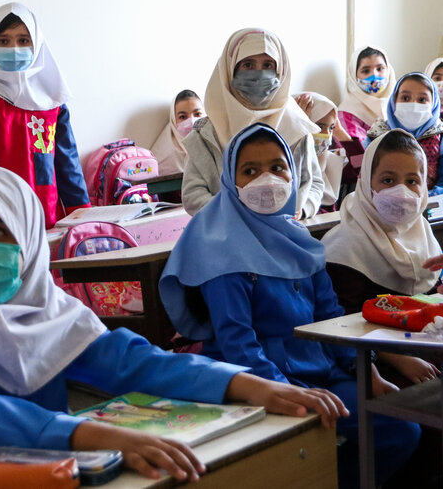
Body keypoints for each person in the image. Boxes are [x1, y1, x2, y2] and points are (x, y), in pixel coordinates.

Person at [0, 164, 348, 483]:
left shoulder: (42, 310)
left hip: (39, 471)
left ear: (28, 245)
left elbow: (132, 362)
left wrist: (247, 385)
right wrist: (98, 437)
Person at [159, 124, 420, 489]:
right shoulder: (221, 247)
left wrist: (365, 370)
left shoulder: (298, 240)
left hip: (319, 370)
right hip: (258, 380)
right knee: (377, 429)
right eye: (250, 170)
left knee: (401, 427)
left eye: (278, 167)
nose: (266, 179)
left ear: (293, 174)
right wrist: (285, 392)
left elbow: (330, 318)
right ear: (230, 181)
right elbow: (237, 343)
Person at [322, 129, 443, 385]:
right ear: (367, 183)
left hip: (422, 347)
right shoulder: (345, 247)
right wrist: (398, 359)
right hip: (371, 360)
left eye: (412, 181)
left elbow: (433, 303)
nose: (401, 191)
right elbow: (342, 325)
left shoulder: (423, 236)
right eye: (388, 180)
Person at [0, 3, 88, 228]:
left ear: (36, 43)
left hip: (48, 218)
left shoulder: (53, 99)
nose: (14, 49)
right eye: (3, 41)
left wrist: (81, 215)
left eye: (24, 40)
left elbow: (68, 164)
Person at [181, 28, 324, 218]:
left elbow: (315, 183)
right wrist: (232, 213)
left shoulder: (298, 127)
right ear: (230, 70)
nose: (259, 74)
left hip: (286, 229)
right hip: (227, 230)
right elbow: (192, 195)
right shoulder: (206, 134)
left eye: (268, 65)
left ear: (280, 71)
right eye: (248, 65)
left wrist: (304, 209)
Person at [365, 72, 443, 195]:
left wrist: (423, 200)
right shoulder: (377, 136)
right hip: (382, 203)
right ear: (394, 101)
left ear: (434, 104)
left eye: (422, 99)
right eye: (405, 98)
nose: (413, 104)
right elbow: (365, 177)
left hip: (433, 204)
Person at [296, 92, 348, 211]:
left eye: (331, 128)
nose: (327, 135)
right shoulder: (285, 159)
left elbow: (361, 170)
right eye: (319, 126)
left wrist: (340, 132)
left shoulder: (328, 157)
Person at [337, 46, 396, 143]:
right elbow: (357, 150)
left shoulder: (399, 103)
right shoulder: (347, 114)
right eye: (366, 71)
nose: (374, 75)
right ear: (354, 76)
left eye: (380, 68)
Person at [149, 89, 205, 176]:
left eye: (197, 114)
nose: (192, 121)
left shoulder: (216, 141)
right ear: (173, 120)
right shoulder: (164, 155)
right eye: (182, 117)